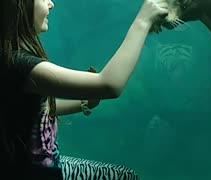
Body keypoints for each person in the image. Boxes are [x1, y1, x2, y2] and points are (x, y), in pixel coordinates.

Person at [0, 0, 168, 179]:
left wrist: (82, 103)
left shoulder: (9, 59)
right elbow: (109, 85)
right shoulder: (22, 65)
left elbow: (34, 110)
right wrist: (142, 22)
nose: (51, 4)